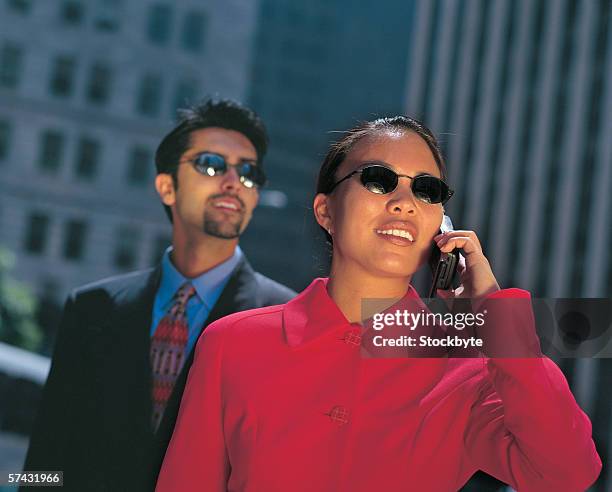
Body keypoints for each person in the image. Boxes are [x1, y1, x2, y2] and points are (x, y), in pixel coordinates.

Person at [156, 115, 602, 492]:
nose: (405, 202)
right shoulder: (232, 344)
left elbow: (566, 472)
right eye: (378, 179)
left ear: (441, 225)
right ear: (325, 211)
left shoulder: (467, 369)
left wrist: (492, 313)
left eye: (427, 190)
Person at [22, 98, 297, 491]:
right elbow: (46, 457)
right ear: (167, 186)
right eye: (212, 164)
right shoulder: (92, 309)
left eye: (249, 172)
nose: (234, 182)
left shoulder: (287, 323)